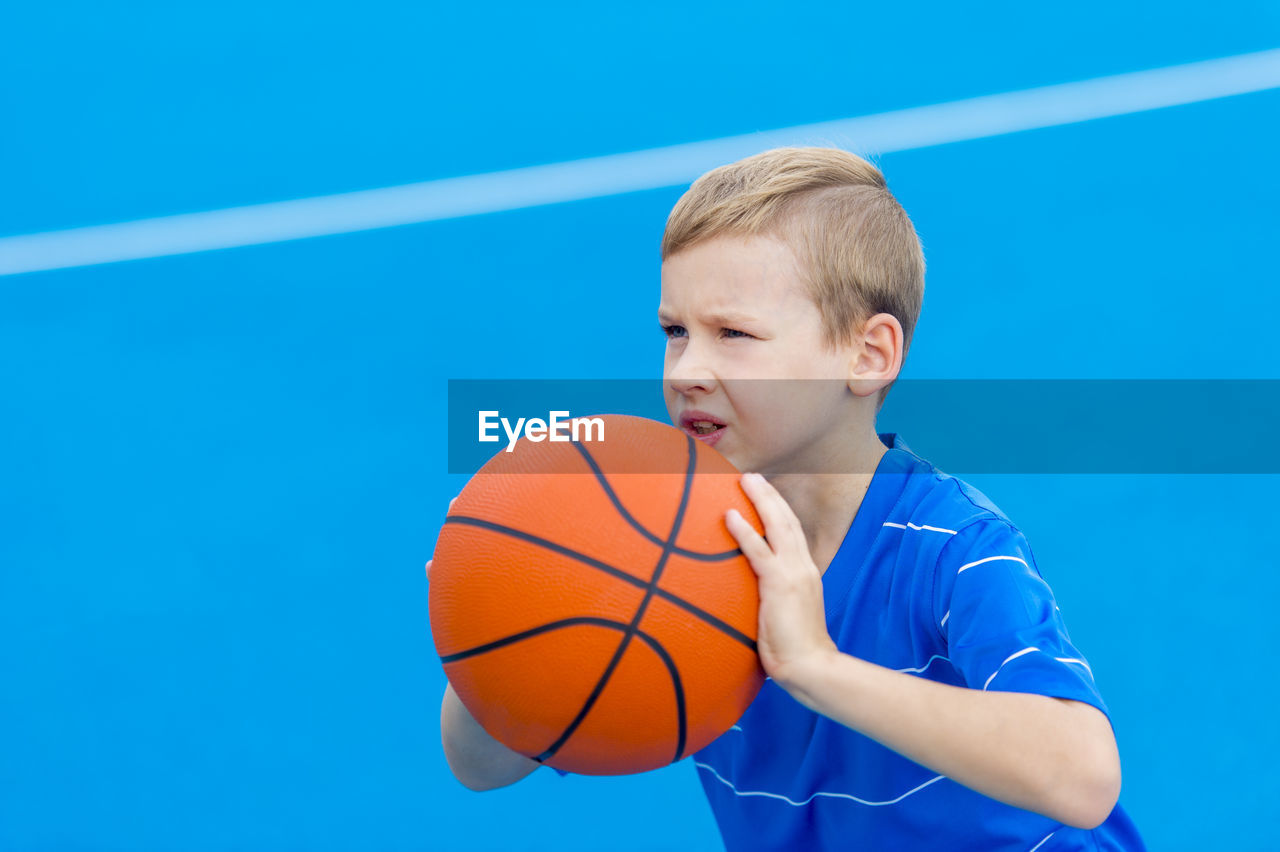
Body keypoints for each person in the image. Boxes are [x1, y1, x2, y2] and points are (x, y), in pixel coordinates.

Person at [431, 147, 1146, 851]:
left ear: (868, 356)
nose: (687, 370)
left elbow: (1080, 777)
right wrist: (489, 617)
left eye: (733, 334)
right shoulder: (662, 539)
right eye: (674, 332)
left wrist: (816, 667)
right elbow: (481, 764)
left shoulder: (949, 547)